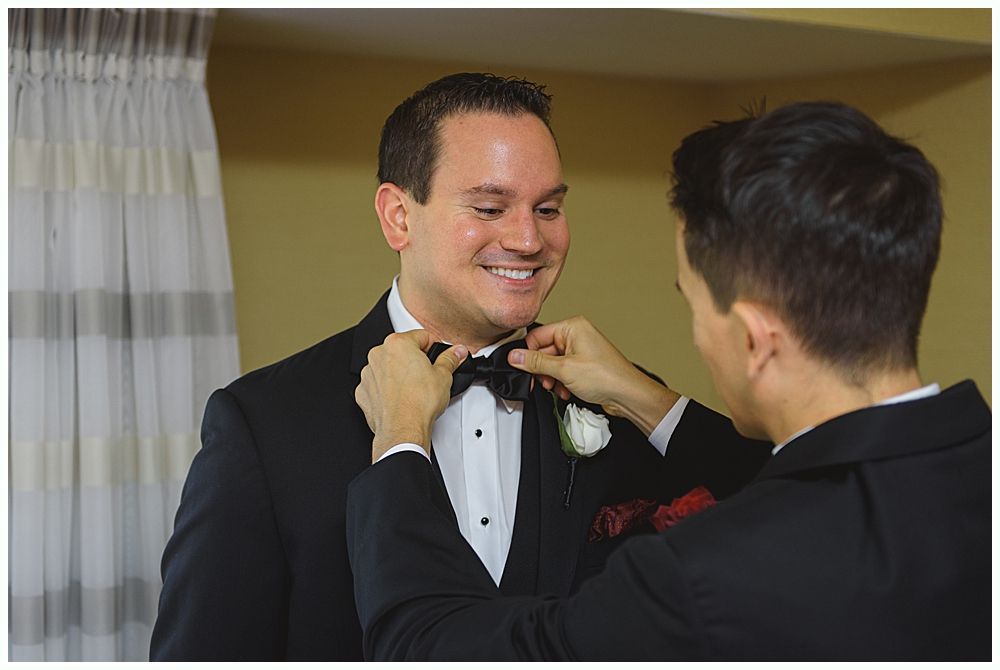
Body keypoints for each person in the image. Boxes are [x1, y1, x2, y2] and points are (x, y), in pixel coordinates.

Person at [150, 73, 768, 660]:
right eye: (490, 208)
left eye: (548, 209)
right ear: (398, 216)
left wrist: (643, 396)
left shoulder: (619, 397)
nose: (529, 240)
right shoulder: (263, 424)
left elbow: (790, 514)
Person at [347, 101, 991, 660]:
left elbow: (430, 651)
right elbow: (798, 481)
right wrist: (641, 396)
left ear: (751, 337)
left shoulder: (706, 576)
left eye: (692, 301)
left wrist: (403, 439)